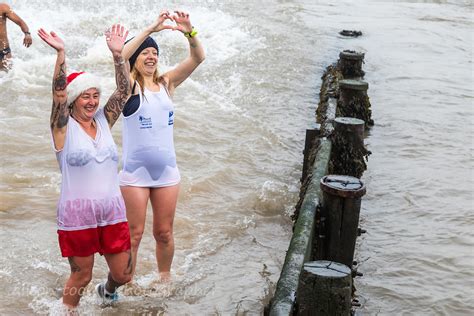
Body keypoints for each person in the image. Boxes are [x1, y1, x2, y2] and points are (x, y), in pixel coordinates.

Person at [38, 24, 132, 312]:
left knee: (124, 274)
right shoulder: (62, 129)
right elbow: (58, 97)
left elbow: (125, 90)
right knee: (82, 275)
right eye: (85, 96)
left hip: (112, 210)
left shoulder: (104, 120)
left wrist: (118, 55)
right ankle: (67, 310)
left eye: (95, 95)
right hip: (77, 214)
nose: (92, 102)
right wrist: (61, 54)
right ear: (74, 99)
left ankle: (108, 290)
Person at [120, 10, 205, 281]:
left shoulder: (167, 83)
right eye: (145, 53)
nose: (151, 56)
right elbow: (120, 56)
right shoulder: (130, 87)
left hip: (167, 173)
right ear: (136, 59)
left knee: (164, 232)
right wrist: (150, 30)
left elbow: (197, 58)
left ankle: (164, 278)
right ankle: (125, 282)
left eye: (154, 53)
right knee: (133, 234)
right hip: (135, 174)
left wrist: (189, 32)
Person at [0, 3, 32, 71]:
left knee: (8, 77)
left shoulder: (3, 8)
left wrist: (27, 34)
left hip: (4, 52)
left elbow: (20, 22)